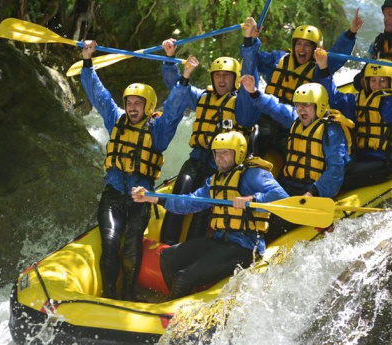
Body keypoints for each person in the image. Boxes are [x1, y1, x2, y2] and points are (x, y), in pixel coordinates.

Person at [81, 40, 186, 301]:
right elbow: (99, 95)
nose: (132, 107)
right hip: (113, 196)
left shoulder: (158, 131)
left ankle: (127, 293)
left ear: (149, 106)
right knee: (110, 243)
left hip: (140, 199)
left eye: (138, 103)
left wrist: (177, 70)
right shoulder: (116, 118)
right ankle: (108, 293)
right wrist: (87, 61)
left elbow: (173, 110)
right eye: (129, 102)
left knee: (130, 247)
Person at [131, 131, 289, 300]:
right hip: (220, 241)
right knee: (167, 257)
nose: (219, 157)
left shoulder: (253, 174)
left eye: (225, 152)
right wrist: (153, 198)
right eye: (217, 153)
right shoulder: (215, 181)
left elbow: (282, 197)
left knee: (184, 277)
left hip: (245, 246)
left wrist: (253, 199)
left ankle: (175, 313)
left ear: (239, 153)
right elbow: (189, 203)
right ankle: (183, 302)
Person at [157, 47, 262, 245]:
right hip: (197, 158)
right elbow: (177, 87)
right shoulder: (202, 97)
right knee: (182, 186)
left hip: (221, 165)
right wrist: (170, 59)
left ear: (236, 78)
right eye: (218, 75)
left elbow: (251, 73)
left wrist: (249, 44)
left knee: (204, 206)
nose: (222, 80)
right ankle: (166, 243)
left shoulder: (242, 102)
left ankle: (191, 246)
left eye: (227, 76)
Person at [241, 73, 353, 240]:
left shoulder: (331, 131)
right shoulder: (296, 120)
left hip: (313, 191)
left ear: (319, 106)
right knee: (253, 217)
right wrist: (254, 92)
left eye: (306, 105)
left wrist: (312, 192)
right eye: (298, 105)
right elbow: (275, 107)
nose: (301, 109)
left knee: (272, 229)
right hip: (289, 187)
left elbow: (336, 170)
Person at [240, 10, 363, 155]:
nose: (302, 49)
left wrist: (351, 33)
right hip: (266, 115)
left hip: (292, 122)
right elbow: (252, 60)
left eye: (307, 45)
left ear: (315, 48)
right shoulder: (278, 59)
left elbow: (337, 55)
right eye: (298, 43)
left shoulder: (318, 68)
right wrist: (251, 39)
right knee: (256, 138)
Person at [320, 51, 392, 190]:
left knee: (340, 175)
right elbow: (334, 99)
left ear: (391, 81)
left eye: (382, 80)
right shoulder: (358, 100)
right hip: (360, 156)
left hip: (383, 162)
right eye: (373, 81)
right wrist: (323, 68)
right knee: (327, 168)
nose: (377, 85)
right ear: (367, 82)